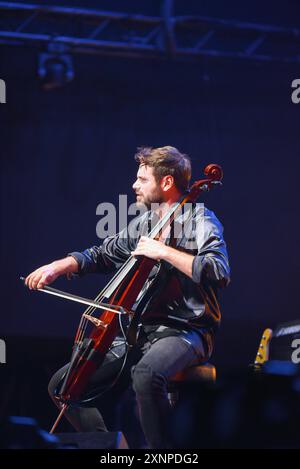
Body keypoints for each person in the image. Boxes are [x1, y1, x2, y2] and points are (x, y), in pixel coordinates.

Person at [25, 146, 230, 448]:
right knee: (63, 387)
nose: (134, 185)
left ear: (167, 183)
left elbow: (218, 270)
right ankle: (112, 448)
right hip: (138, 332)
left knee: (146, 375)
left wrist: (163, 252)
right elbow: (102, 254)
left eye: (142, 179)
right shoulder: (145, 224)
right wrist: (59, 266)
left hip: (186, 330)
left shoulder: (200, 219)